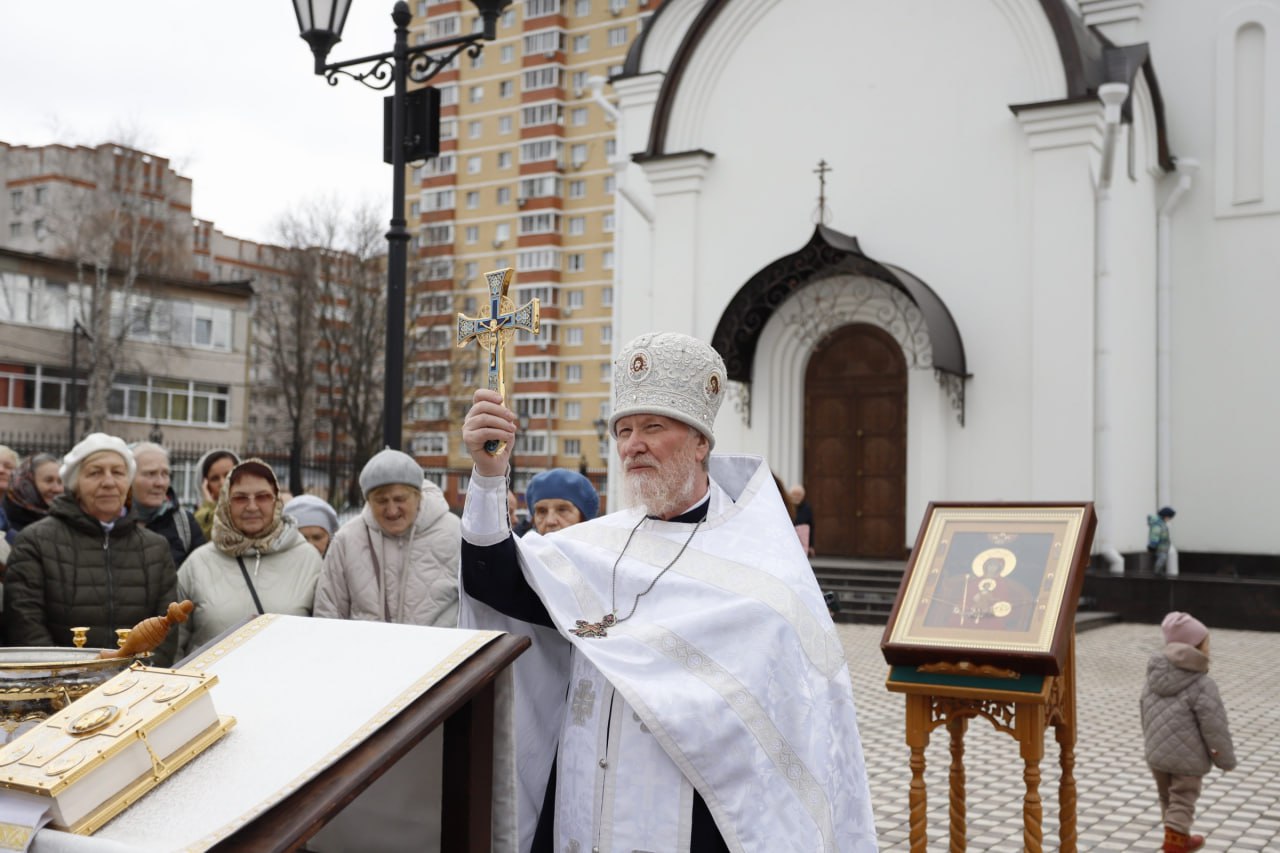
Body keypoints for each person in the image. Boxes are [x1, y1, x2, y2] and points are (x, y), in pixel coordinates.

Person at [460, 331, 877, 852]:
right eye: (625, 429)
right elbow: (493, 581)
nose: (633, 444)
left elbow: (798, 729)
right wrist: (488, 473)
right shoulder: (595, 547)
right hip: (582, 810)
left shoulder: (765, 575)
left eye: (653, 427)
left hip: (695, 822)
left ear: (701, 441)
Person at [3, 434, 178, 663]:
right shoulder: (35, 542)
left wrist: (138, 681)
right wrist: (70, 683)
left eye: (118, 472)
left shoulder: (155, 547)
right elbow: (25, 626)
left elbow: (166, 628)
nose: (108, 482)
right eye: (95, 473)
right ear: (75, 485)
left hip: (136, 690)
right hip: (61, 691)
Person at [177, 458, 322, 657]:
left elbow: (323, 637)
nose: (252, 507)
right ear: (226, 503)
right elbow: (174, 641)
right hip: (211, 685)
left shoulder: (309, 560)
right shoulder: (198, 563)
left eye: (262, 497)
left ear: (276, 502)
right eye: (240, 498)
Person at [314, 449, 459, 626]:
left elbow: (475, 608)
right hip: (364, 652)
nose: (391, 510)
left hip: (443, 652)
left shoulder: (454, 533)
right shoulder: (346, 539)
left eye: (400, 499)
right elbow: (328, 611)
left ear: (417, 495)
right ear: (368, 501)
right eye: (381, 501)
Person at [1140, 612, 1236, 853]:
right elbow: (1215, 727)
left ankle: (1178, 838)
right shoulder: (1203, 684)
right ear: (1198, 646)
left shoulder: (1154, 676)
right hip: (1188, 760)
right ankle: (1174, 845)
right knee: (1182, 801)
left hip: (1157, 756)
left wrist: (1152, 744)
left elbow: (1144, 710)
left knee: (1168, 799)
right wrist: (1224, 759)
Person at [130, 442, 206, 570]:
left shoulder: (184, 523)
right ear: (128, 477)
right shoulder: (109, 522)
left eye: (165, 474)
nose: (160, 483)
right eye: (150, 473)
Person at [3, 452, 64, 543]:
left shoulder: (67, 521)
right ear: (27, 484)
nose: (57, 489)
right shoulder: (5, 522)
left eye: (60, 482)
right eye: (49, 481)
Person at [524, 468, 598, 535]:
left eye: (562, 510)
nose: (550, 521)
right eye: (542, 511)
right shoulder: (522, 549)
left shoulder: (603, 549)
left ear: (583, 519)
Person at [193, 449, 240, 540]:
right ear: (205, 485)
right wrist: (210, 508)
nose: (223, 483)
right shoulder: (200, 518)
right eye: (215, 479)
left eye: (228, 475)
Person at [789, 482, 816, 556]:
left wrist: (811, 545)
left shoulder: (807, 508)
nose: (796, 497)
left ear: (803, 496)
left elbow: (811, 527)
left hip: (802, 541)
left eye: (799, 495)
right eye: (794, 494)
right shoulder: (786, 506)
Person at [1148, 506, 1176, 575]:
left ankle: (1159, 573)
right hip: (1160, 547)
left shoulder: (1161, 523)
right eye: (1169, 517)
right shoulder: (1158, 524)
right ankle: (1157, 574)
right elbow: (1155, 535)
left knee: (1162, 560)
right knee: (1161, 560)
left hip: (1163, 547)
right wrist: (1153, 545)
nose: (1169, 519)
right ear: (1165, 516)